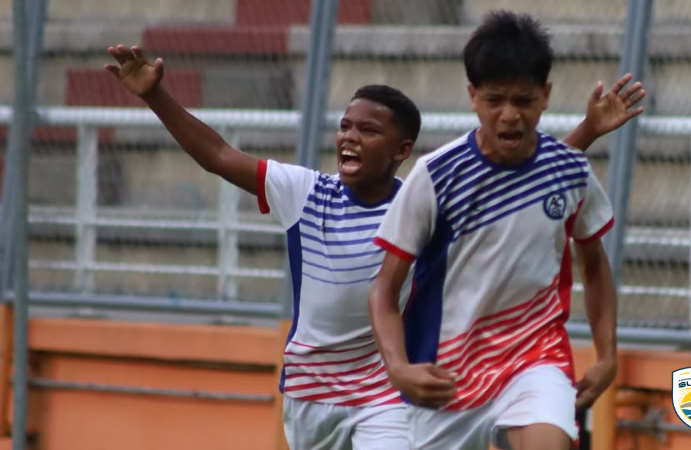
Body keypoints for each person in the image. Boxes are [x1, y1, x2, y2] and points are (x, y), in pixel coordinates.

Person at [105, 40, 642, 450]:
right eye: (345, 127)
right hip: (310, 393)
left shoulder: (421, 202)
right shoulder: (304, 192)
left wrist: (586, 132)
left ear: (401, 150)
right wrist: (155, 95)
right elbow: (218, 155)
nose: (350, 137)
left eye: (368, 130)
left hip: (385, 391)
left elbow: (515, 183)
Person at [368, 10, 631, 450]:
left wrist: (607, 356)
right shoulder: (435, 175)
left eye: (524, 100)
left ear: (546, 96)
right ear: (473, 96)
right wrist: (398, 368)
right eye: (495, 100)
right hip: (445, 376)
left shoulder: (570, 171)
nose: (510, 115)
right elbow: (384, 288)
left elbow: (594, 266)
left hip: (535, 359)